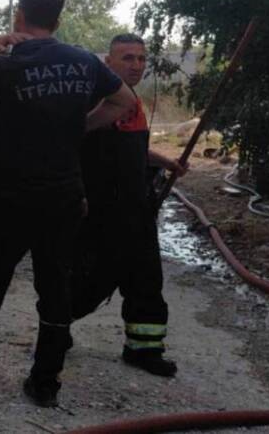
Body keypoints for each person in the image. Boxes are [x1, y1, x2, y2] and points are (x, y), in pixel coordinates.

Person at [0, 0, 135, 408]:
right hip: (63, 199)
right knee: (55, 289)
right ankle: (45, 384)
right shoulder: (84, 61)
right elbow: (124, 101)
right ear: (58, 20)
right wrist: (81, 125)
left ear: (20, 16)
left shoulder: (10, 59)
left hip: (8, 199)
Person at [70, 33, 187, 377]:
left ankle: (144, 349)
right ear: (108, 62)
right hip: (100, 211)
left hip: (136, 209)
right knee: (89, 279)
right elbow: (72, 145)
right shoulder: (95, 99)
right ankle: (55, 328)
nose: (136, 65)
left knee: (145, 279)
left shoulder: (132, 101)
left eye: (141, 58)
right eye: (127, 58)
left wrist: (166, 162)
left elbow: (133, 150)